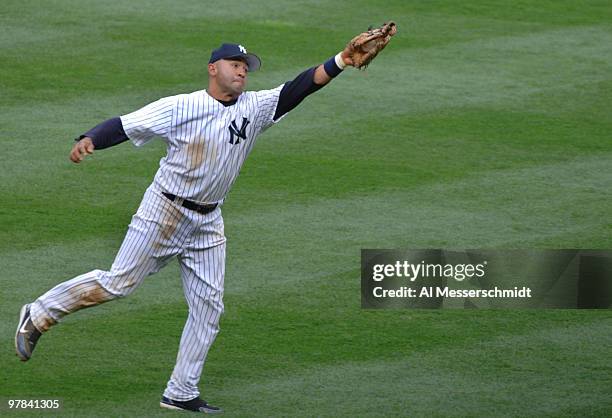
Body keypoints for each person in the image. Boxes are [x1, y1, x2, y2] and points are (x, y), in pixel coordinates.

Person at [15, 33, 393, 413]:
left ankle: (180, 391)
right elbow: (127, 124)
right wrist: (90, 138)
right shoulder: (181, 107)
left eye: (246, 67)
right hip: (163, 213)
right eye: (235, 65)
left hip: (209, 221)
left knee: (208, 307)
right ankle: (40, 312)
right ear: (214, 69)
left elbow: (299, 89)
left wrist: (342, 59)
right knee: (118, 284)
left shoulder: (255, 107)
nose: (243, 72)